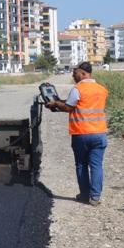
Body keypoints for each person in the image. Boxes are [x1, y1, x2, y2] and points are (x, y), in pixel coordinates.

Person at [45, 61, 109, 206]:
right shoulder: (102, 89)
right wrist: (59, 102)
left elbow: (68, 107)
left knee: (81, 164)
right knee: (97, 165)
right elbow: (79, 105)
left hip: (82, 133)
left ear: (83, 73)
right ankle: (95, 197)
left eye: (75, 74)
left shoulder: (78, 89)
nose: (74, 77)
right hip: (99, 133)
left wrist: (55, 104)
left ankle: (85, 195)